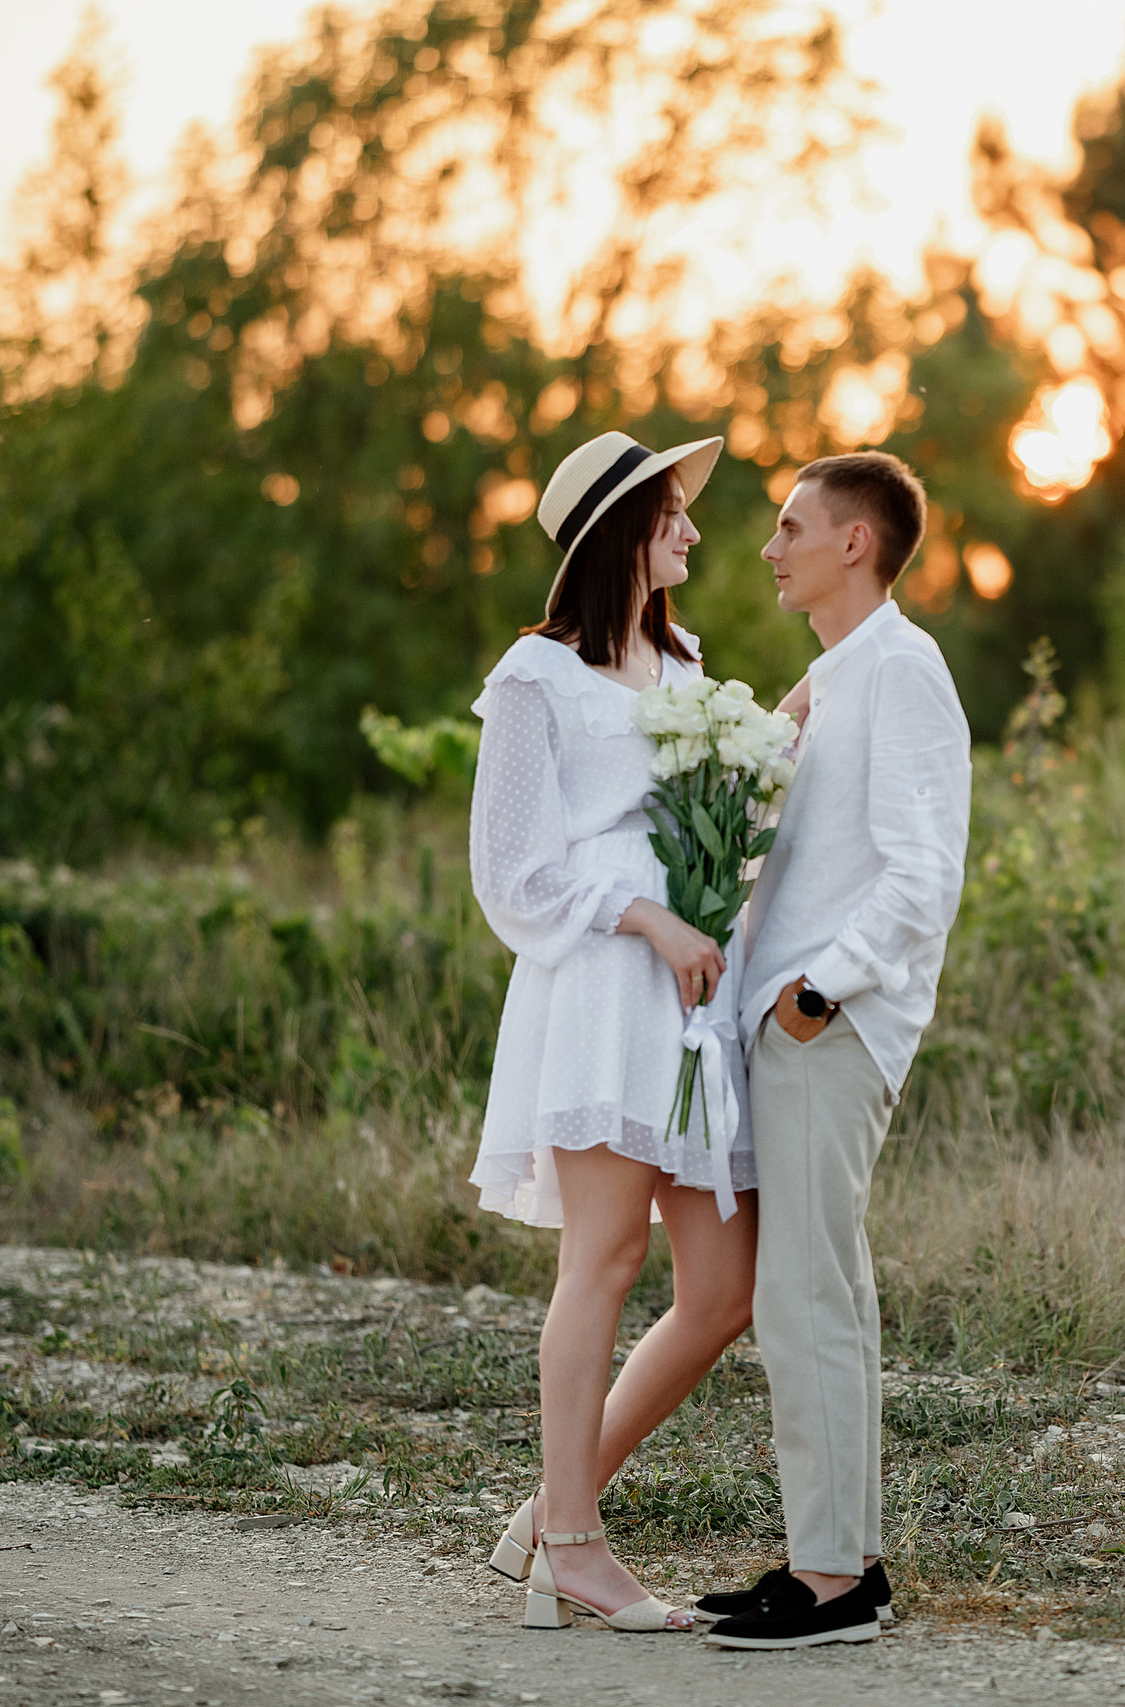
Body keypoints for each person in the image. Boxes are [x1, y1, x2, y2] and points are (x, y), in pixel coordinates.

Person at [465, 430, 756, 1634]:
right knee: (606, 1258)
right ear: (622, 530)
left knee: (724, 1286)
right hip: (598, 979)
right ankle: (577, 1546)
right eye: (674, 512)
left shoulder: (686, 662)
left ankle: (544, 1518)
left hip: (689, 997)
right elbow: (510, 876)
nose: (692, 532)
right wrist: (645, 917)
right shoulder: (535, 679)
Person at [697, 452, 973, 1650]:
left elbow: (926, 876)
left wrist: (815, 991)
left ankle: (829, 1588)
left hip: (830, 1024)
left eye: (789, 527)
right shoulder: (829, 678)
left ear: (855, 543)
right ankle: (842, 1559)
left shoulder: (902, 671)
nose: (770, 548)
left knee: (801, 1293)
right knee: (824, 1294)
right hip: (795, 1019)